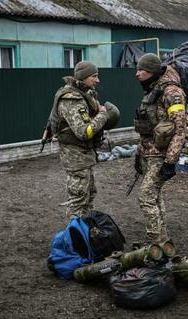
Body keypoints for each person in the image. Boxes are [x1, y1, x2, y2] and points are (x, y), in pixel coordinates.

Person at [44, 61, 111, 219]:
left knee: (88, 196)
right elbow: (83, 132)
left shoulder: (84, 94)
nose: (98, 80)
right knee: (78, 202)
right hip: (76, 159)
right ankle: (74, 240)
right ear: (84, 77)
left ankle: (84, 234)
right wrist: (103, 114)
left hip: (84, 157)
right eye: (94, 76)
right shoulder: (71, 99)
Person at [133, 53, 187, 243]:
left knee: (146, 197)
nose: (137, 74)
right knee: (155, 197)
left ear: (153, 72)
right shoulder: (153, 89)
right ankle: (163, 242)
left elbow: (180, 130)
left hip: (161, 156)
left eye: (142, 70)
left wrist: (170, 161)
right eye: (137, 69)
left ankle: (154, 242)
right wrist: (139, 153)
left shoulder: (172, 93)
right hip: (149, 153)